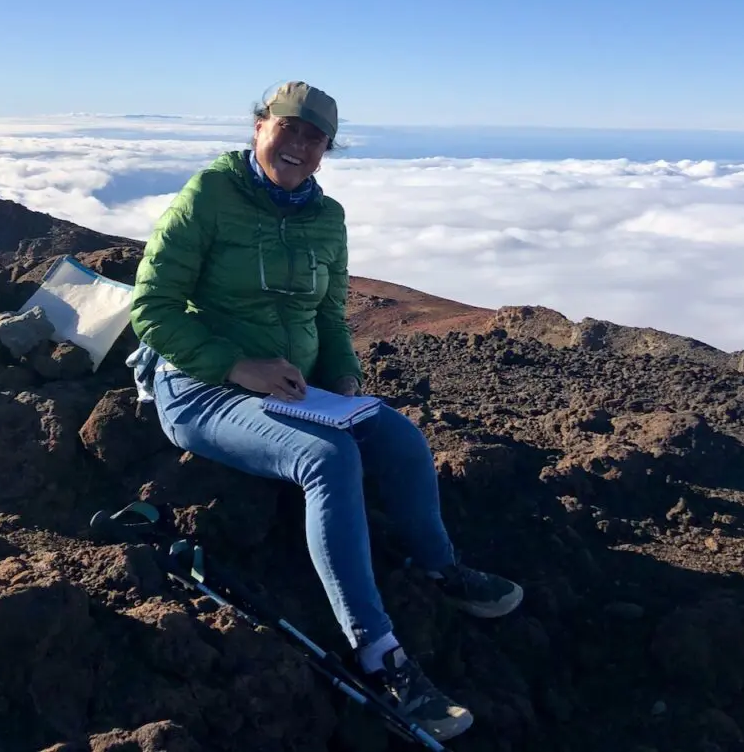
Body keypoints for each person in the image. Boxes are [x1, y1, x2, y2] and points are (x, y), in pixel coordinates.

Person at [128, 80, 523, 742]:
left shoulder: (326, 217)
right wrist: (236, 364)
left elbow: (329, 317)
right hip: (203, 387)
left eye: (317, 137)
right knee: (327, 457)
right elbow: (152, 308)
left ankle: (439, 566)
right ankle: (379, 654)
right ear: (260, 125)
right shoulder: (209, 197)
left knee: (396, 435)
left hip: (295, 389)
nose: (301, 144)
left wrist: (344, 379)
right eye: (291, 127)